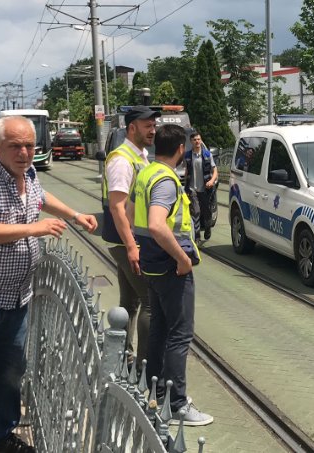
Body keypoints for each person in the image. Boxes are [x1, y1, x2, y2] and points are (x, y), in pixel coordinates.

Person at [0, 116, 97, 452]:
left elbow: (40, 198)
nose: (25, 152)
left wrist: (74, 215)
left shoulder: (25, 173)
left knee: (11, 375)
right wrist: (34, 230)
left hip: (16, 298)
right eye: (15, 146)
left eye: (29, 145)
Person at [131, 124, 213, 426]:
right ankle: (177, 404)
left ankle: (154, 393)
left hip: (151, 263)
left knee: (160, 331)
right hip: (170, 266)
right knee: (180, 335)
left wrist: (137, 246)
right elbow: (156, 223)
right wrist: (182, 259)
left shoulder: (145, 173)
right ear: (180, 149)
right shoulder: (165, 180)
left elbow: (130, 211)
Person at [101, 106, 161, 358]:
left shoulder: (140, 155)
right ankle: (144, 368)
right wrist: (132, 246)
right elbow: (117, 206)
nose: (153, 130)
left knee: (130, 302)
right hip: (127, 241)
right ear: (132, 127)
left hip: (128, 241)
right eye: (148, 125)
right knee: (150, 302)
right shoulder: (122, 160)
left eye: (154, 125)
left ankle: (121, 355)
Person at [184, 130, 218, 242]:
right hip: (192, 189)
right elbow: (186, 171)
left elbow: (214, 170)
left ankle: (208, 228)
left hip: (206, 189)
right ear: (191, 141)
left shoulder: (207, 154)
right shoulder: (188, 155)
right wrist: (185, 185)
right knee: (196, 212)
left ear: (201, 140)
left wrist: (212, 181)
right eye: (194, 140)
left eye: (198, 139)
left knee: (206, 212)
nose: (197, 141)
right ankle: (197, 237)